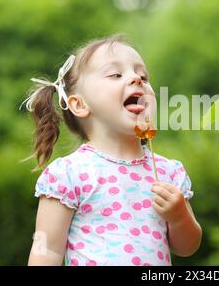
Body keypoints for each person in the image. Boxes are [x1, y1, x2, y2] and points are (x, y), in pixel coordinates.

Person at [24, 35, 202, 266]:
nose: (137, 78)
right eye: (115, 75)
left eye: (144, 76)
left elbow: (187, 248)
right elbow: (46, 250)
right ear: (80, 104)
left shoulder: (168, 173)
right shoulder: (69, 173)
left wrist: (179, 217)